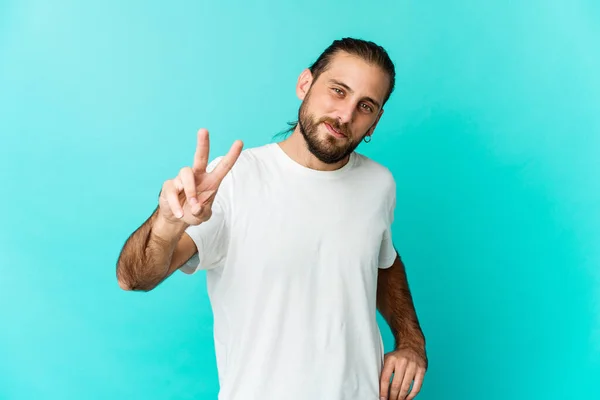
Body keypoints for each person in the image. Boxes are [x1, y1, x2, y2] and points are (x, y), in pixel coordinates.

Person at [116, 37, 427, 400]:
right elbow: (134, 278)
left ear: (375, 122)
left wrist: (411, 342)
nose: (345, 115)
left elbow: (383, 262)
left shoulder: (379, 185)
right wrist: (167, 224)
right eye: (338, 91)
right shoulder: (233, 180)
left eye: (366, 106)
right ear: (305, 84)